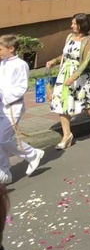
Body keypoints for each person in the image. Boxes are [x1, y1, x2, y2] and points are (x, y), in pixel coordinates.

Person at [46, 13, 90, 149]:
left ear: (81, 24)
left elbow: (86, 61)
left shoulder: (89, 40)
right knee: (61, 103)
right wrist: (54, 61)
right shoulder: (70, 37)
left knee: (87, 105)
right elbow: (65, 55)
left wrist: (74, 77)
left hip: (82, 77)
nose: (71, 26)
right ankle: (67, 135)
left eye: (74, 23)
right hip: (64, 74)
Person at [0, 35, 44, 182]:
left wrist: (5, 97)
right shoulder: (3, 63)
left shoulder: (20, 64)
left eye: (0, 49)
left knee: (3, 139)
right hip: (1, 106)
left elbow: (21, 87)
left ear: (11, 48)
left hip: (12, 107)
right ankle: (4, 171)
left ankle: (32, 154)